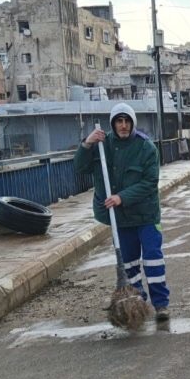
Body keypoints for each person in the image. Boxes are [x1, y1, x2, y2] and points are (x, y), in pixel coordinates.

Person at [74, 103, 170, 321]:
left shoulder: (146, 148)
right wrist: (87, 144)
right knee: (129, 264)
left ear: (133, 123)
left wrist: (121, 197)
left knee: (153, 260)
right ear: (113, 123)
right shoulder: (101, 145)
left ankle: (161, 304)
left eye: (127, 121)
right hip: (121, 220)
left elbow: (150, 182)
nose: (124, 125)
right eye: (119, 121)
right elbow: (80, 168)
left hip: (146, 215)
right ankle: (137, 301)